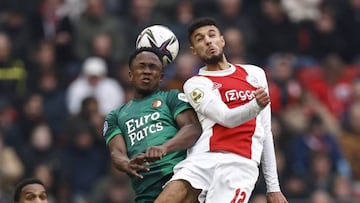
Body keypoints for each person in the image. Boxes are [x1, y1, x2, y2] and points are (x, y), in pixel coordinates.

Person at [155, 17, 288, 203]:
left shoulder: (255, 74)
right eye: (200, 39)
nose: (208, 41)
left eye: (212, 35)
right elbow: (225, 117)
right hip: (202, 158)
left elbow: (265, 130)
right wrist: (255, 105)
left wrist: (273, 187)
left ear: (222, 40)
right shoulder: (195, 84)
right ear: (194, 51)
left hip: (239, 164)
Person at [102, 47, 203, 203]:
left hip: (177, 177)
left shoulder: (172, 97)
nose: (147, 71)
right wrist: (127, 163)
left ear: (161, 76)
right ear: (130, 74)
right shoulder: (115, 116)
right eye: (141, 66)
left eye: (153, 67)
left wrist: (165, 147)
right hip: (145, 189)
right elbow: (116, 152)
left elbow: (193, 127)